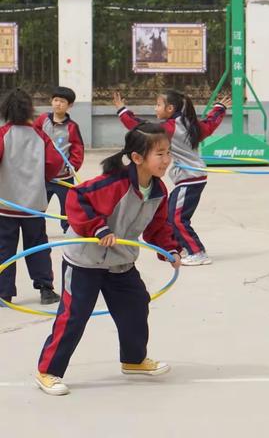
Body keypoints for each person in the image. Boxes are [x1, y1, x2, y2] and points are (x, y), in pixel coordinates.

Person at [36, 122, 182, 396]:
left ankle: (133, 360)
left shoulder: (159, 191)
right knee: (74, 316)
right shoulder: (114, 183)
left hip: (120, 262)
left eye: (168, 152)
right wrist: (97, 227)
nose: (166, 159)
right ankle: (48, 370)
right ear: (138, 158)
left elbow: (158, 226)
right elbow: (76, 199)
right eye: (160, 154)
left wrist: (169, 249)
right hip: (85, 262)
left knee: (137, 306)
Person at [113, 90, 231, 266]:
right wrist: (219, 108)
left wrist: (122, 110)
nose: (155, 108)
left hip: (190, 178)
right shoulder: (190, 124)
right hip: (194, 176)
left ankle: (197, 252)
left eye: (158, 105)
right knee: (171, 216)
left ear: (170, 108)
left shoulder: (170, 127)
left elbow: (141, 127)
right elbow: (210, 124)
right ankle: (182, 248)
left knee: (177, 218)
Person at [0, 88, 63, 305]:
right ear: (29, 109)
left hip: (5, 205)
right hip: (34, 205)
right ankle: (45, 289)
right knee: (37, 246)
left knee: (4, 248)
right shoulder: (40, 136)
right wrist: (40, 178)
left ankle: (3, 293)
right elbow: (55, 164)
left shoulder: (2, 134)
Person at [34, 86, 84, 233]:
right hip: (43, 176)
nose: (58, 104)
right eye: (55, 100)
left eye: (62, 101)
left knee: (68, 209)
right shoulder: (42, 120)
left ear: (70, 105)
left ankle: (68, 232)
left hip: (64, 178)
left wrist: (73, 165)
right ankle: (36, 232)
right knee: (38, 207)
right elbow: (31, 138)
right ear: (51, 101)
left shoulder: (72, 127)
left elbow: (77, 149)